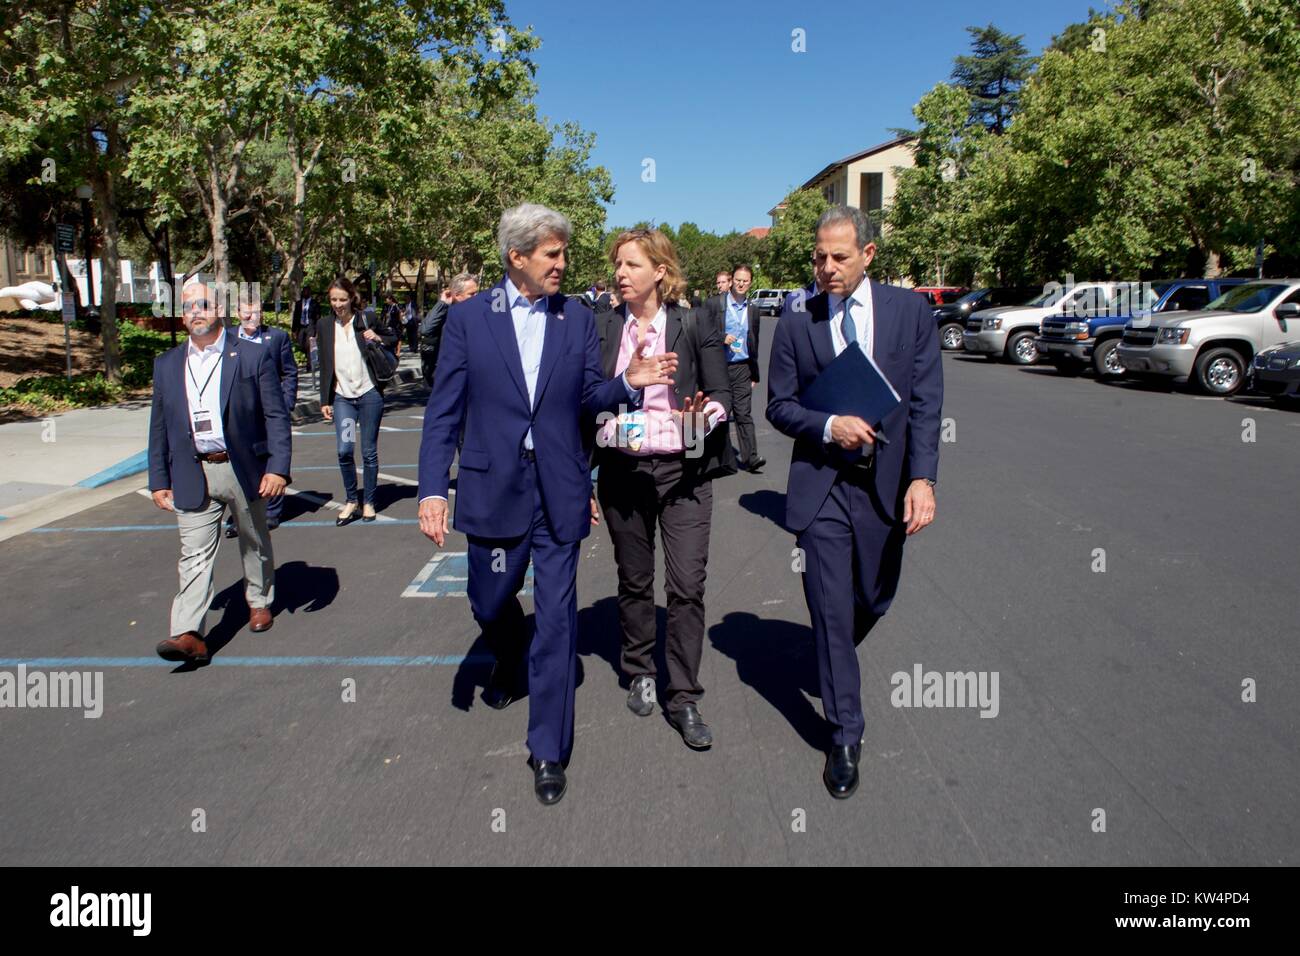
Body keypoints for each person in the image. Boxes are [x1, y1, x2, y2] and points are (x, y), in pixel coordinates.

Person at [417, 203, 677, 806]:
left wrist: (628, 384)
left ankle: (549, 750)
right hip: (491, 487)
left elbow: (591, 397)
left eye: (563, 253)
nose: (563, 264)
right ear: (518, 257)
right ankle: (508, 657)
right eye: (552, 255)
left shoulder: (577, 319)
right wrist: (433, 488)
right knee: (489, 597)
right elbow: (443, 412)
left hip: (557, 490)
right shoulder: (470, 321)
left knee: (557, 622)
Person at [765, 205, 942, 799]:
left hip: (885, 490)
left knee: (873, 596)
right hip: (822, 487)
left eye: (839, 257)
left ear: (868, 255)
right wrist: (828, 425)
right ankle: (844, 734)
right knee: (831, 610)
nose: (826, 268)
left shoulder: (910, 313)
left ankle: (835, 649)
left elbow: (924, 403)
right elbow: (779, 406)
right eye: (819, 257)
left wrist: (924, 479)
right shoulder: (797, 322)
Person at [593, 228, 734, 749]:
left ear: (659, 270)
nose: (620, 274)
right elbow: (588, 399)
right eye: (617, 265)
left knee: (687, 586)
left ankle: (684, 696)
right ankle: (640, 672)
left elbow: (720, 393)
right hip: (624, 474)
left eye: (630, 264)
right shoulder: (604, 327)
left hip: (685, 473)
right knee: (634, 581)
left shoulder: (695, 323)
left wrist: (703, 418)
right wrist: (617, 415)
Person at [147, 280, 292, 664]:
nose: (197, 311)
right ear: (182, 316)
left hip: (241, 466)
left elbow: (276, 416)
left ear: (219, 310)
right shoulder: (166, 365)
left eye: (205, 304)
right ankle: (188, 632)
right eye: (189, 306)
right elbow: (159, 425)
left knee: (253, 538)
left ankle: (259, 600)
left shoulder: (250, 356)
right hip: (193, 470)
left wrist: (278, 468)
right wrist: (159, 479)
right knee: (193, 553)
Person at [317, 276, 399, 525]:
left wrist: (378, 337)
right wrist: (325, 399)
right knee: (345, 450)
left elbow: (393, 337)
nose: (338, 304)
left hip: (369, 395)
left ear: (352, 298)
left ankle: (369, 502)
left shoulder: (366, 319)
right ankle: (351, 499)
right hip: (344, 399)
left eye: (342, 299)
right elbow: (324, 365)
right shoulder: (324, 325)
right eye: (333, 300)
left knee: (368, 451)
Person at [222, 299, 298, 537]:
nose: (252, 315)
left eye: (256, 311)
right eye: (247, 311)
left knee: (271, 457)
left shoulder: (276, 338)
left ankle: (272, 512)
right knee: (241, 460)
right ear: (238, 313)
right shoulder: (226, 338)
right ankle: (240, 514)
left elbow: (289, 372)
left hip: (270, 408)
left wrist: (285, 404)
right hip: (241, 412)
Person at [704, 263, 765, 472]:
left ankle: (751, 457)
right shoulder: (714, 304)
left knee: (743, 413)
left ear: (750, 283)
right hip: (719, 366)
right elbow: (703, 331)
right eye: (738, 280)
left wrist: (754, 373)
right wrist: (722, 337)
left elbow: (754, 341)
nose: (741, 283)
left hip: (742, 368)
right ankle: (715, 459)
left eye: (745, 281)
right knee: (718, 413)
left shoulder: (753, 310)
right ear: (731, 280)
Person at [419, 273, 478, 387]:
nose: (476, 296)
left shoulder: (479, 312)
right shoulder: (444, 312)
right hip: (448, 376)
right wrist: (442, 304)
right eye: (472, 294)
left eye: (477, 293)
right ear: (456, 295)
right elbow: (426, 329)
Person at [291, 285, 321, 371]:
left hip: (310, 326)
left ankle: (309, 364)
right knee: (301, 344)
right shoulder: (298, 303)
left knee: (309, 345)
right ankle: (309, 357)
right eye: (304, 291)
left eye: (307, 291)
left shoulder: (314, 303)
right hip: (301, 327)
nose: (305, 293)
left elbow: (318, 317)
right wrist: (294, 330)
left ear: (310, 293)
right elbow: (295, 317)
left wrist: (317, 330)